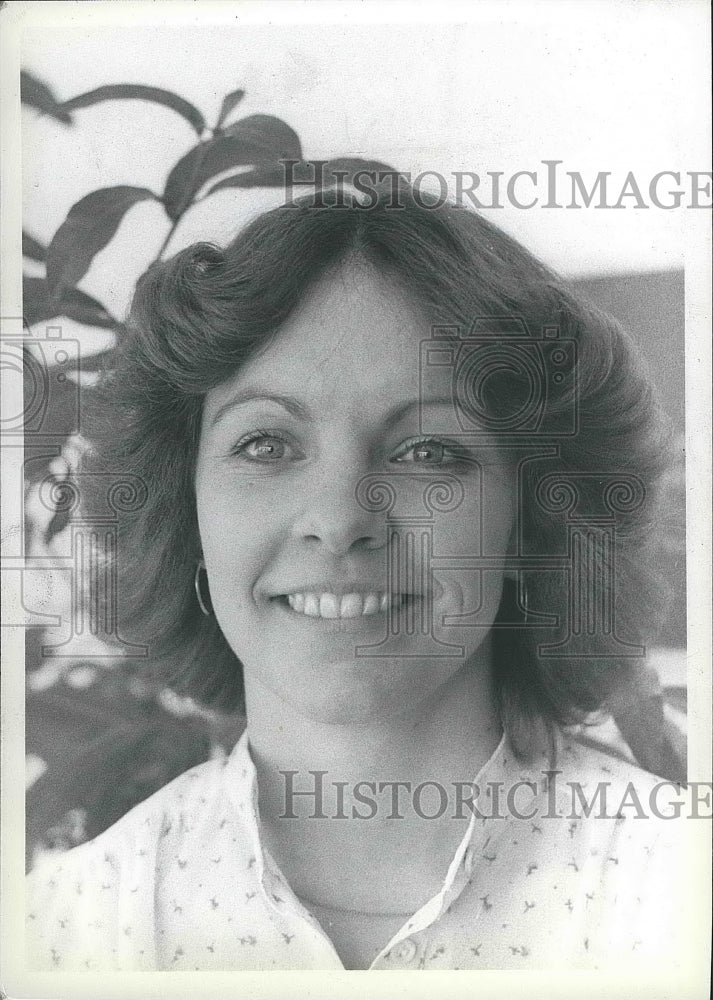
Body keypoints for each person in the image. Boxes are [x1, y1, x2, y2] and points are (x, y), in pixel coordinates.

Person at [26, 183, 690, 972]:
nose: (339, 518)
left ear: (533, 518)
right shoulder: (60, 936)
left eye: (426, 451)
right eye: (266, 444)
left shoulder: (679, 893)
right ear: (184, 511)